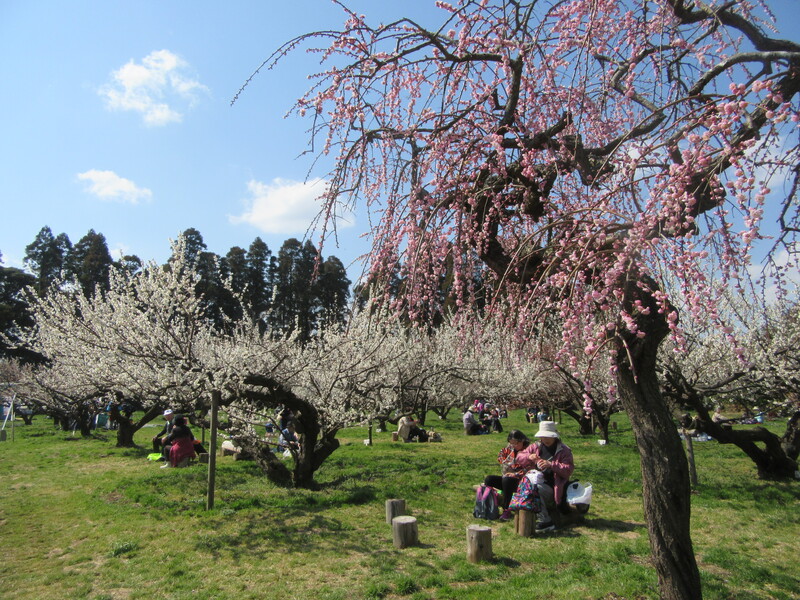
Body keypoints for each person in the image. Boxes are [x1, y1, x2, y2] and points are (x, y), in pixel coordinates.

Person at [516, 421, 574, 532]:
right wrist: (529, 457)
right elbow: (519, 457)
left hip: (554, 486)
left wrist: (551, 465)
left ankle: (546, 521)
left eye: (548, 437)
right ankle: (527, 516)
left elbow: (568, 470)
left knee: (534, 489)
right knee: (527, 486)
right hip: (536, 480)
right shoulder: (536, 446)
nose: (545, 439)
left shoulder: (564, 450)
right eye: (543, 437)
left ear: (554, 436)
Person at [483, 430, 531, 521]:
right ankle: (490, 505)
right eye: (511, 443)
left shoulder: (528, 450)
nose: (514, 445)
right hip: (508, 478)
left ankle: (507, 509)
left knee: (507, 480)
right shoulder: (509, 449)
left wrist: (515, 474)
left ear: (522, 441)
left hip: (521, 482)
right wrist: (505, 462)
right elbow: (501, 456)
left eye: (516, 443)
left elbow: (529, 469)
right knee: (489, 479)